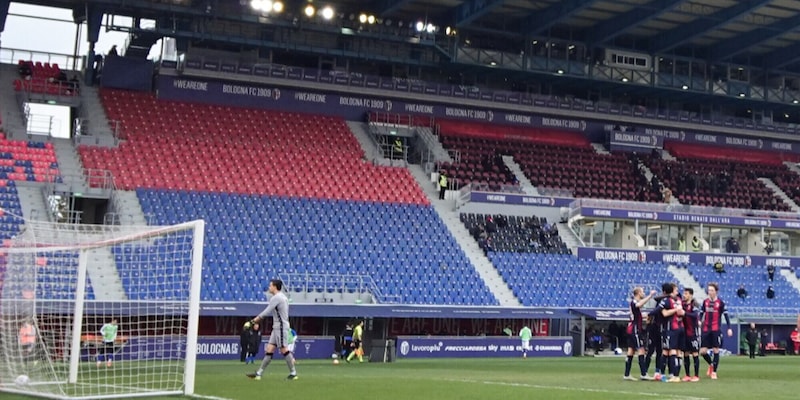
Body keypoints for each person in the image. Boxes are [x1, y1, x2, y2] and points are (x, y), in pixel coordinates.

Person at [245, 279, 297, 380]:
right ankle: (259, 373)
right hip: (277, 327)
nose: (269, 287)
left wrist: (252, 322)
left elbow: (266, 312)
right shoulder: (283, 297)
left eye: (270, 286)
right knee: (269, 349)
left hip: (281, 327)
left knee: (284, 349)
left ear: (275, 287)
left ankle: (293, 373)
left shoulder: (276, 298)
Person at [699, 283, 732, 380]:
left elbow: (726, 315)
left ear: (716, 291)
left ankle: (714, 372)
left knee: (715, 350)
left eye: (712, 290)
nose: (710, 292)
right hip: (706, 329)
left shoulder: (720, 303)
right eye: (709, 290)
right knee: (703, 351)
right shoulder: (705, 302)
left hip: (715, 329)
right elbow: (701, 313)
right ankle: (711, 364)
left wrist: (729, 327)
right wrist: (699, 321)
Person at [622, 287, 656, 381]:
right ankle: (643, 374)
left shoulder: (632, 303)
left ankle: (627, 374)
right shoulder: (634, 302)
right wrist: (650, 295)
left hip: (631, 328)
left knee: (631, 351)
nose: (643, 293)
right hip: (635, 329)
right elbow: (639, 305)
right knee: (641, 350)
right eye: (642, 292)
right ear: (638, 293)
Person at [653, 283, 684, 382]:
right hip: (676, 328)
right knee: (668, 351)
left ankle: (673, 375)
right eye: (675, 290)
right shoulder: (675, 300)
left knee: (671, 351)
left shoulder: (673, 300)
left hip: (672, 328)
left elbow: (665, 313)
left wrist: (649, 314)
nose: (677, 292)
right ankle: (669, 374)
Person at [681, 288, 701, 382]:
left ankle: (696, 375)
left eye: (686, 293)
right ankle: (687, 375)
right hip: (684, 333)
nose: (684, 295)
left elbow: (695, 315)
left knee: (695, 353)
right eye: (684, 293)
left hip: (693, 332)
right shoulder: (682, 304)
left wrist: (685, 313)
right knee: (686, 353)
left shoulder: (694, 304)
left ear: (691, 295)